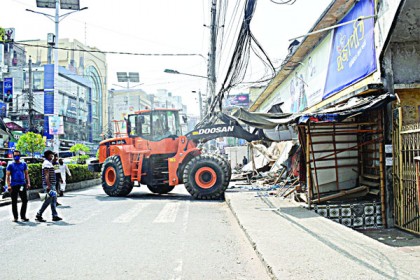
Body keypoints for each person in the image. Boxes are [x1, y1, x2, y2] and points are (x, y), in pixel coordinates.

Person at [35, 150, 62, 222]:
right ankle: (39, 214)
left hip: (52, 184)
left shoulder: (49, 163)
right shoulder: (46, 163)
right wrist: (48, 185)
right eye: (51, 155)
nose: (52, 157)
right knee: (48, 200)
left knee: (53, 200)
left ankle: (54, 215)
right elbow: (47, 175)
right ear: (47, 155)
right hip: (49, 185)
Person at [6, 150, 31, 222]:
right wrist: (9, 185)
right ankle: (15, 217)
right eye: (15, 155)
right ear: (13, 156)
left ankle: (23, 216)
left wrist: (28, 183)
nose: (16, 157)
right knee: (14, 201)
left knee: (25, 200)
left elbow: (26, 174)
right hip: (14, 185)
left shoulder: (24, 164)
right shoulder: (10, 165)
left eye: (18, 155)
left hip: (22, 185)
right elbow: (7, 176)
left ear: (20, 156)